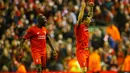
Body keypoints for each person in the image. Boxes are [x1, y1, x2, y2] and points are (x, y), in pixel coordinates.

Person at [74, 0, 94, 73]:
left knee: (87, 70)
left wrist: (91, 7)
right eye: (88, 20)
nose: (89, 21)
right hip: (80, 51)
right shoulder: (79, 27)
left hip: (86, 50)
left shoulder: (86, 26)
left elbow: (90, 15)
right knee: (84, 70)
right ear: (84, 20)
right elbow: (79, 18)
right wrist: (82, 8)